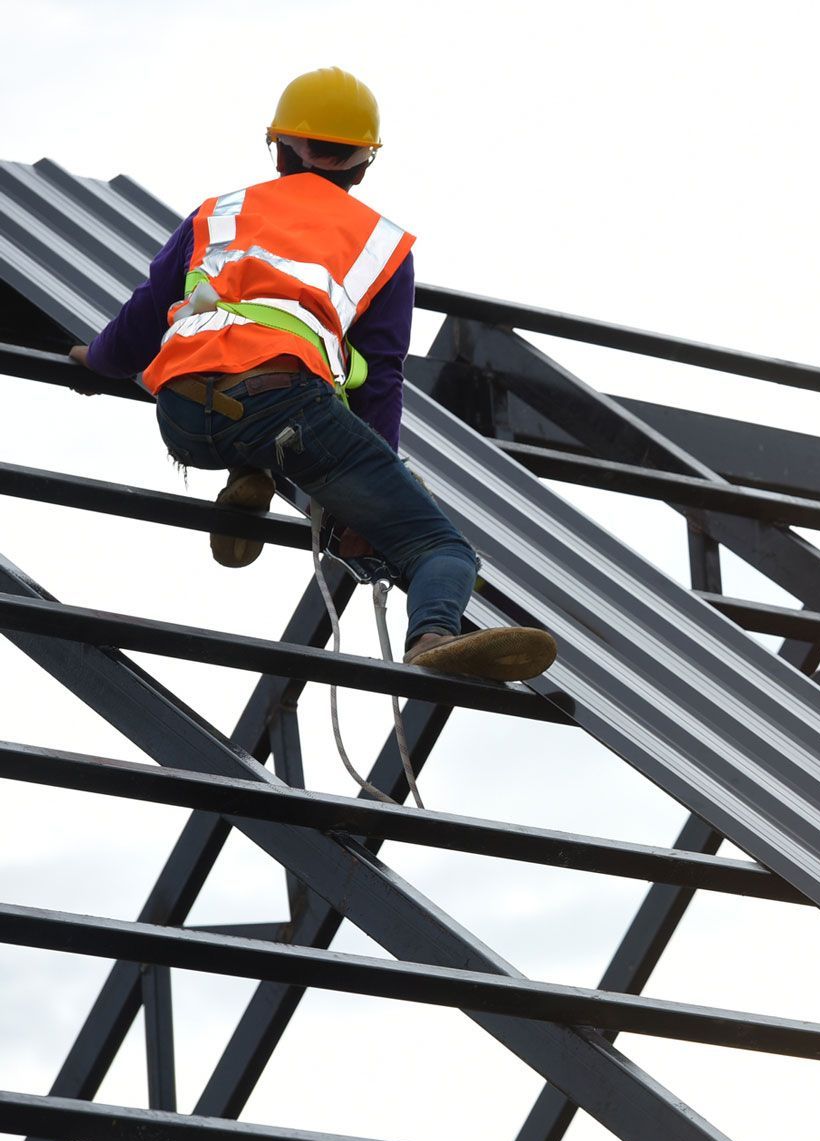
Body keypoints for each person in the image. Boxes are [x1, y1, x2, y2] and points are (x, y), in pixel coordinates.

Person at [70, 67, 555, 683]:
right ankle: (433, 631)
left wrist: (93, 361)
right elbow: (378, 379)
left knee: (262, 413)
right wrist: (362, 509)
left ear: (278, 146)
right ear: (362, 165)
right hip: (284, 402)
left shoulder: (218, 213)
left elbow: (142, 321)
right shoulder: (382, 244)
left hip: (183, 418)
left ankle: (249, 477)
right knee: (441, 547)